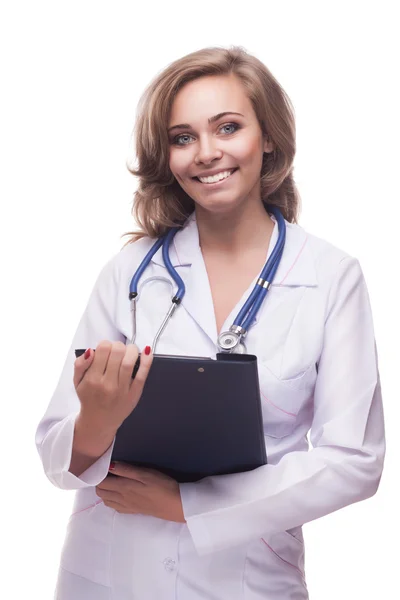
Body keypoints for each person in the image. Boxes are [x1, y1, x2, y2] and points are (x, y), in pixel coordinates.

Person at [35, 45, 386, 599]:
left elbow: (354, 462)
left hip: (246, 578)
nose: (206, 153)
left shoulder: (331, 277)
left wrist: (185, 507)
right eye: (182, 137)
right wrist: (97, 422)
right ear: (168, 156)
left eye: (227, 127)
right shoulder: (132, 272)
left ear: (267, 136)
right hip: (112, 571)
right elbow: (58, 458)